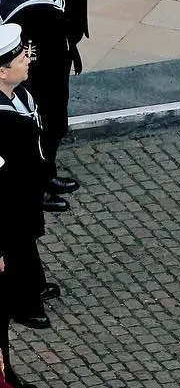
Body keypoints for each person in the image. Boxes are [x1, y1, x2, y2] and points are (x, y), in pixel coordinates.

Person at [0, 0, 78, 216]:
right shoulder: (30, 5)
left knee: (52, 128)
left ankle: (47, 175)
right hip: (38, 82)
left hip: (51, 75)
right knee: (41, 132)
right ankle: (38, 189)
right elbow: (26, 49)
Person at [0, 23, 52, 374]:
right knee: (17, 247)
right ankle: (24, 302)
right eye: (20, 56)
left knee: (28, 239)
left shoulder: (19, 92)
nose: (27, 58)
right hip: (8, 204)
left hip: (26, 194)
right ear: (2, 70)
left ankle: (32, 288)